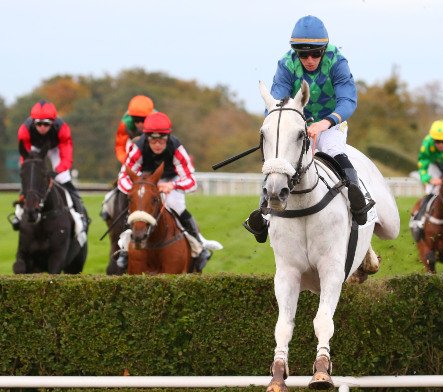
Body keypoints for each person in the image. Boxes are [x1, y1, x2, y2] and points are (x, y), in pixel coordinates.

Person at [243, 15, 374, 243]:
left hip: (330, 123)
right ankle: (264, 212)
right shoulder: (286, 63)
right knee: (278, 160)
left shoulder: (337, 61)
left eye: (315, 53)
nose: (310, 60)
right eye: (303, 55)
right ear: (296, 52)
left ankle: (358, 200)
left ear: (324, 49)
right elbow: (276, 103)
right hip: (297, 124)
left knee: (332, 149)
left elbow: (348, 101)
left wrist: (324, 123)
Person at [115, 111, 219, 272]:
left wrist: (173, 185)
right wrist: (138, 191)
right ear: (146, 137)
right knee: (137, 207)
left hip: (171, 181)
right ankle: (124, 249)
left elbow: (191, 181)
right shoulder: (138, 147)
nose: (157, 144)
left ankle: (198, 246)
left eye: (162, 140)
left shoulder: (176, 148)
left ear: (168, 137)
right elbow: (123, 176)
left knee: (177, 207)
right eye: (153, 140)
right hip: (145, 182)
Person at [12, 100, 88, 243]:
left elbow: (66, 157)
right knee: (30, 180)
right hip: (34, 148)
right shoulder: (24, 130)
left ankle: (80, 214)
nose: (42, 127)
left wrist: (57, 171)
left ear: (53, 122)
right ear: (33, 122)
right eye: (38, 124)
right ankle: (18, 213)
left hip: (55, 148)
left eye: (46, 124)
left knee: (64, 178)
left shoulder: (62, 129)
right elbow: (25, 157)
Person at [101, 95, 155, 221]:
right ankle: (108, 206)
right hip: (132, 149)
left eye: (143, 120)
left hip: (152, 151)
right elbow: (120, 146)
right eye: (136, 120)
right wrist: (128, 161)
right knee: (122, 179)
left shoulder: (157, 122)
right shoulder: (125, 124)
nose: (140, 124)